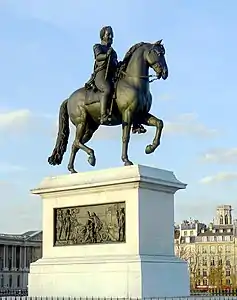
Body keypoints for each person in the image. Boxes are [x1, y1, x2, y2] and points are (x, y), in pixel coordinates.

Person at [85, 26, 118, 124]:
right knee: (106, 89)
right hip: (101, 75)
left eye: (112, 35)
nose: (111, 37)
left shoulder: (113, 52)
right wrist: (106, 55)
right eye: (108, 34)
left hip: (111, 76)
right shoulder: (97, 46)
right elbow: (98, 57)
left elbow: (115, 63)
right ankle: (103, 115)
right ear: (103, 36)